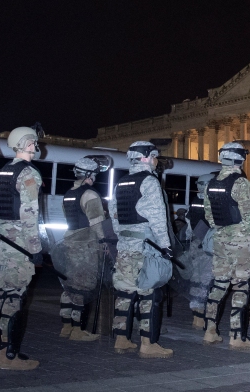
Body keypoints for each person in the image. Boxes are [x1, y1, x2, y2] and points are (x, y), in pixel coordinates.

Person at [0, 127, 42, 370]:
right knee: (14, 298)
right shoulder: (29, 173)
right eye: (34, 142)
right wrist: (35, 248)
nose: (36, 146)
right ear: (26, 144)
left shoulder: (2, 172)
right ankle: (7, 356)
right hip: (18, 245)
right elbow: (29, 214)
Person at [109, 141, 175, 358]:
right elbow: (157, 218)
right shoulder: (149, 181)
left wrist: (123, 238)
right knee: (148, 294)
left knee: (125, 293)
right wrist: (166, 246)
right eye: (154, 156)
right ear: (146, 157)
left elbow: (115, 215)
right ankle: (148, 344)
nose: (156, 160)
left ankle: (121, 339)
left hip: (126, 246)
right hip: (146, 247)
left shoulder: (121, 182)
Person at [203, 141, 250, 349]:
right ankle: (236, 335)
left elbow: (208, 215)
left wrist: (222, 230)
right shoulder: (241, 183)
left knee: (219, 284)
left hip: (220, 238)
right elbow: (249, 216)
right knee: (241, 286)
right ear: (240, 159)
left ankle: (209, 330)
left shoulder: (211, 183)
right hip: (240, 238)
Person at [56, 154, 111, 341]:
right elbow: (96, 222)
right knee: (82, 286)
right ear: (89, 174)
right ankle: (78, 330)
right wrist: (104, 242)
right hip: (86, 244)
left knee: (69, 286)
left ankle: (66, 326)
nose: (95, 178)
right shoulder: (90, 194)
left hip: (70, 241)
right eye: (94, 174)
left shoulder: (69, 193)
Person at [185, 173, 215, 329]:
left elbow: (189, 222)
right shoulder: (212, 201)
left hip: (195, 244)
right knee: (206, 282)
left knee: (196, 280)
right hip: (208, 246)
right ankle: (203, 319)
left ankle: (196, 317)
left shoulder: (196, 200)